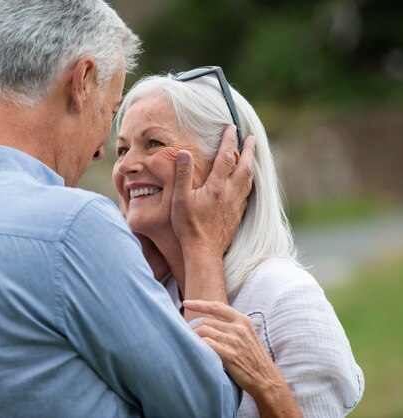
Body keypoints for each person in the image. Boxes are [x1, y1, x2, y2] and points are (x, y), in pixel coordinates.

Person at [0, 2, 260, 417]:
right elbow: (206, 406)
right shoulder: (73, 227)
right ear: (82, 81)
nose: (101, 150)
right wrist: (201, 243)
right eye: (108, 111)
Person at [110, 69, 365, 417]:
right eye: (122, 149)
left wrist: (268, 385)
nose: (126, 165)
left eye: (154, 142)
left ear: (226, 164)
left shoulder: (284, 298)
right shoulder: (152, 295)